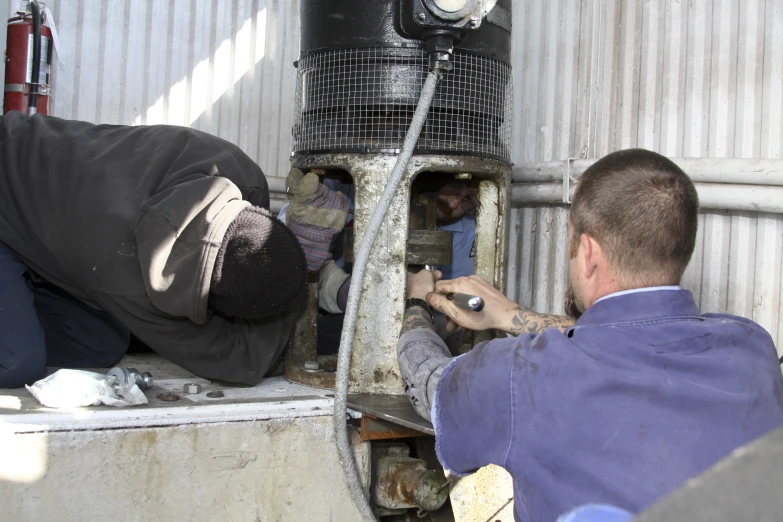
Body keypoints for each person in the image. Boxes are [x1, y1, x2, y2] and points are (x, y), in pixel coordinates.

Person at [397, 149, 783, 521]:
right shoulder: (752, 347)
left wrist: (416, 300)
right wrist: (512, 315)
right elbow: (630, 332)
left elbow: (426, 378)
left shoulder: (522, 374)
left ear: (588, 252)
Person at [0, 112, 343, 388]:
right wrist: (309, 264)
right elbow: (242, 364)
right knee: (16, 361)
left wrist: (297, 248)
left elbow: (254, 266)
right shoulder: (131, 284)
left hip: (38, 180)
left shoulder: (238, 172)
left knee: (99, 343)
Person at [283, 170, 479, 354]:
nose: (453, 204)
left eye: (467, 199)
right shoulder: (345, 187)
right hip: (333, 317)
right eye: (453, 190)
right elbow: (285, 239)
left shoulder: (470, 233)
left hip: (412, 325)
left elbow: (450, 304)